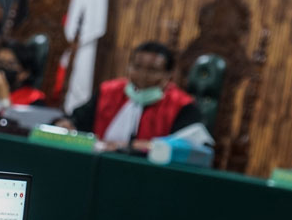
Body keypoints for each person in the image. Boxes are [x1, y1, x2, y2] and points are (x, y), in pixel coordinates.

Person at [57, 41, 202, 150]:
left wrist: (132, 146)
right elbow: (78, 119)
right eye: (137, 67)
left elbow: (186, 146)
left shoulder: (182, 105)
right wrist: (67, 124)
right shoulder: (109, 91)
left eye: (152, 70)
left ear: (168, 75)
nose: (142, 75)